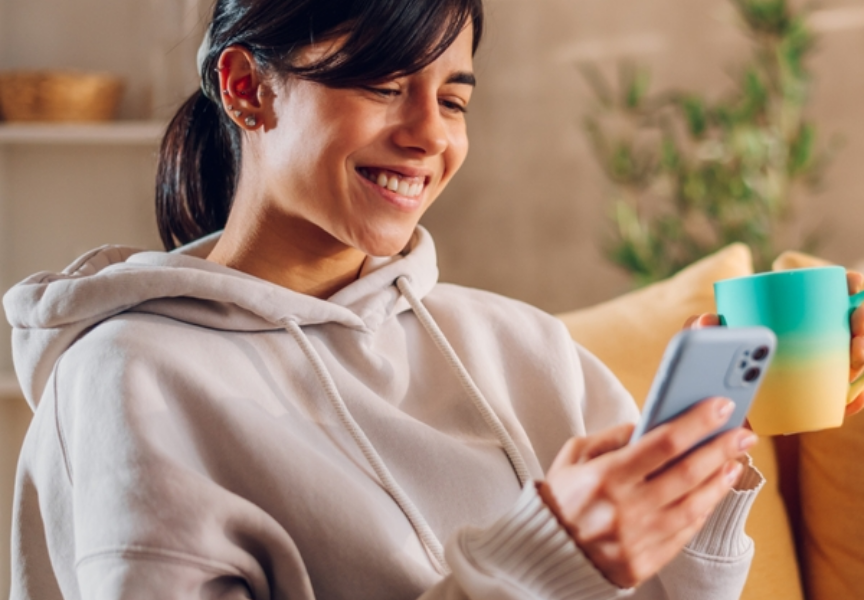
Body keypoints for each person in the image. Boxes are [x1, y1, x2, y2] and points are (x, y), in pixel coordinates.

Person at [5, 1, 864, 598]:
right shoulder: (128, 382)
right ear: (246, 88)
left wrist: (703, 462)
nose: (429, 133)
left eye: (453, 97)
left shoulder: (520, 347)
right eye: (383, 85)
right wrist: (541, 561)